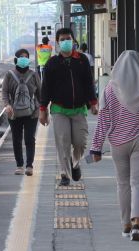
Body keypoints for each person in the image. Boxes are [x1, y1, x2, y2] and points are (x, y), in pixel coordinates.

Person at [89, 51, 139, 241]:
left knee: (123, 183)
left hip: (118, 142)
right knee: (138, 182)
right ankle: (137, 224)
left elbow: (103, 120)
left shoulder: (109, 89)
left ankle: (125, 225)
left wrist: (96, 147)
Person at [40, 28, 98, 186]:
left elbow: (89, 83)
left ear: (73, 40)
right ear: (58, 43)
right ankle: (65, 174)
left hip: (79, 108)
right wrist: (43, 109)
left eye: (68, 38)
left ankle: (75, 163)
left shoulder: (82, 60)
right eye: (62, 39)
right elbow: (45, 87)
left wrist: (93, 103)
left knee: (80, 142)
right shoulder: (52, 63)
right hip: (59, 109)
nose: (66, 41)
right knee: (63, 141)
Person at [2, 49, 41, 176]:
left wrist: (41, 108)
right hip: (13, 113)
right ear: (16, 60)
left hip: (32, 113)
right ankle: (19, 165)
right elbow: (5, 92)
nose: (24, 59)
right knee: (16, 139)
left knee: (30, 139)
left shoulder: (34, 74)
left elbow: (40, 93)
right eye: (21, 57)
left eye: (26, 57)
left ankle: (29, 166)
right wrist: (7, 105)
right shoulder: (9, 75)